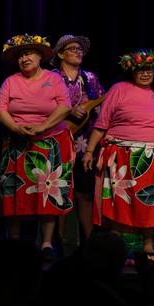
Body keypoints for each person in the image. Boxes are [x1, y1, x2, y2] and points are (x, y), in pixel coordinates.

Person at [83, 49, 154, 260]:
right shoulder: (118, 89)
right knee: (122, 201)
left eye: (149, 70)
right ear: (132, 71)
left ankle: (148, 244)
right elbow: (101, 125)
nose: (145, 74)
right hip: (123, 154)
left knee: (151, 201)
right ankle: (117, 246)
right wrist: (90, 151)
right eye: (140, 70)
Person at [0, 34, 73, 260]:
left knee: (47, 193)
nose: (24, 58)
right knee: (14, 190)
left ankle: (47, 244)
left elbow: (64, 106)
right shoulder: (11, 81)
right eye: (20, 56)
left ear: (39, 56)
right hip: (17, 142)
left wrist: (42, 126)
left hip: (48, 141)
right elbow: (0, 110)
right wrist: (16, 128)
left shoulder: (53, 78)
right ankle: (15, 242)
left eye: (28, 53)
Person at [51, 34, 106, 246]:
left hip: (86, 142)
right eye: (72, 48)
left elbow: (101, 107)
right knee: (59, 189)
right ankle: (63, 241)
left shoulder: (90, 78)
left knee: (84, 191)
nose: (78, 52)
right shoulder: (52, 77)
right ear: (61, 54)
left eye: (80, 49)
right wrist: (67, 111)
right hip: (58, 138)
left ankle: (90, 240)